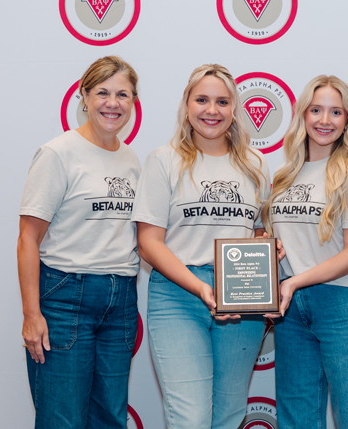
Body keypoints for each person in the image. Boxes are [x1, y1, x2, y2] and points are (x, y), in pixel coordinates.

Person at [131, 64, 276, 429]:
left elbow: (260, 231)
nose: (212, 110)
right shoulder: (164, 161)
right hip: (179, 294)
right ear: (187, 105)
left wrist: (268, 255)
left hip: (242, 302)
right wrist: (201, 288)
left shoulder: (256, 165)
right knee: (190, 418)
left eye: (222, 101)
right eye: (202, 100)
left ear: (234, 109)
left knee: (227, 416)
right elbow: (149, 243)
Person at [18, 56, 141, 428]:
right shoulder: (58, 153)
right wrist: (31, 314)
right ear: (83, 96)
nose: (112, 103)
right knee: (62, 418)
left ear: (133, 102)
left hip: (120, 298)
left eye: (122, 94)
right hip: (65, 295)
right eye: (102, 92)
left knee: (109, 417)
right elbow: (28, 237)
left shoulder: (132, 159)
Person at [261, 75, 348, 429]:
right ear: (302, 115)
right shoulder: (285, 176)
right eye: (316, 110)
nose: (324, 121)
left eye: (335, 112)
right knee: (296, 416)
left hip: (340, 304)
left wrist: (294, 282)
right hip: (290, 309)